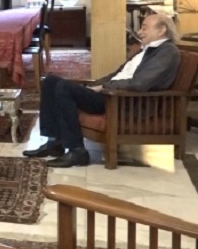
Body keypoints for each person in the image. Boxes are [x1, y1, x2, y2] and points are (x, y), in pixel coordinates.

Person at [23, 14, 181, 168]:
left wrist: (105, 87)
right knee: (50, 81)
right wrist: (97, 85)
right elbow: (118, 74)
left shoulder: (167, 52)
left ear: (161, 30)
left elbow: (140, 83)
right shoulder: (147, 50)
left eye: (145, 28)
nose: (140, 32)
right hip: (112, 94)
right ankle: (54, 143)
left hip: (123, 101)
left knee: (64, 88)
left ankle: (77, 150)